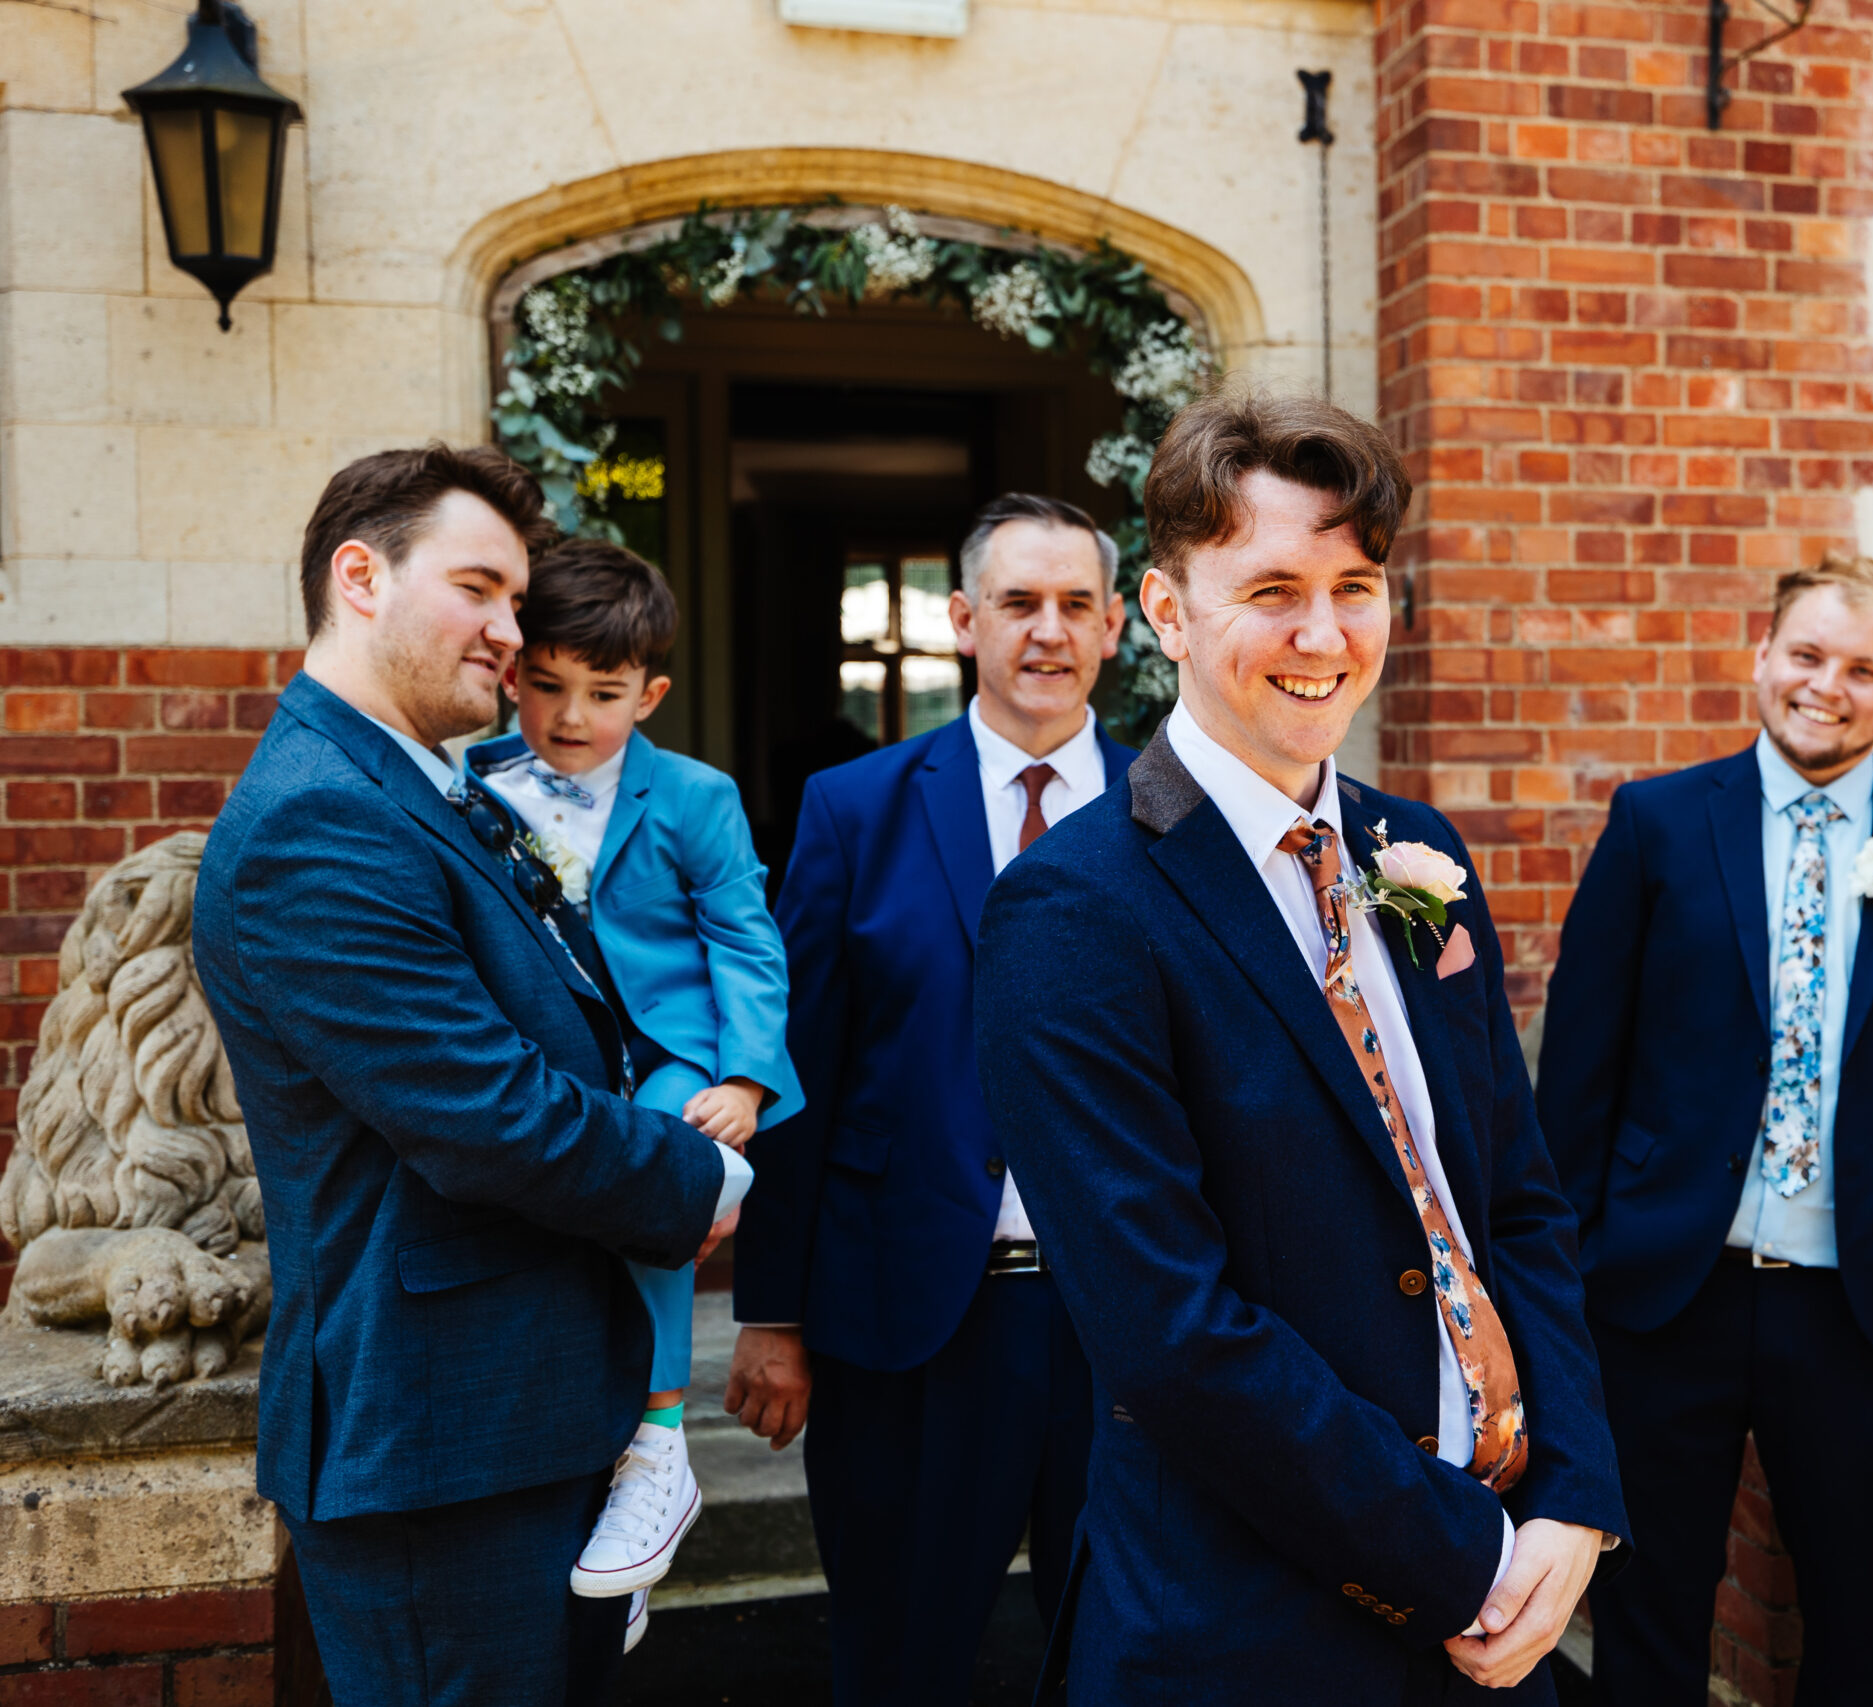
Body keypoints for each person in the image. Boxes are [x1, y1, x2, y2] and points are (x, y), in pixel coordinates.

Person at [971, 390, 1628, 1706]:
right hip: (1247, 1624)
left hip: (1501, 1599)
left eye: (1356, 584)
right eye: (1272, 587)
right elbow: (1174, 1330)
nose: (1323, 633)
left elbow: (1513, 1200)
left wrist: (1573, 1493)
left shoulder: (1418, 859)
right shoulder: (1077, 905)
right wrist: (1465, 1555)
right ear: (1164, 611)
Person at [193, 445, 748, 1705]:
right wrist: (699, 1174)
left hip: (523, 1420)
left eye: (517, 598)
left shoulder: (426, 790)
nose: (512, 630)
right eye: (481, 589)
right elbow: (483, 1115)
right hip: (439, 1447)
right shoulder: (316, 820)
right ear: (361, 577)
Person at [1537, 554, 1873, 1706]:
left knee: (1858, 1625)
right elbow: (1579, 1070)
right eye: (1805, 656)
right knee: (1648, 1612)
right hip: (1666, 1295)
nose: (1826, 686)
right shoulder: (1657, 824)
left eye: (1862, 668)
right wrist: (1571, 1269)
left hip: (1863, 1309)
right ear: (1761, 657)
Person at [726, 494, 1136, 1703]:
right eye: (1018, 604)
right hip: (906, 1318)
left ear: (1117, 626)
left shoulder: (1179, 815)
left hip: (1126, 1321)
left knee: (1124, 1651)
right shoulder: (855, 808)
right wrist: (772, 1312)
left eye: (1074, 606)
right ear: (963, 620)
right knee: (901, 1653)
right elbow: (803, 1066)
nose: (1046, 633)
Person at [464, 539, 804, 1649]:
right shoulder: (469, 788)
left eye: (603, 694)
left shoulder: (695, 796)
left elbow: (747, 943)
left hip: (670, 1060)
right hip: (552, 1058)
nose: (570, 718)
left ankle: (660, 1445)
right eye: (549, 686)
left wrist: (746, 1080)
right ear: (513, 676)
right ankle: (591, 1474)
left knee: (663, 1164)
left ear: (648, 693)